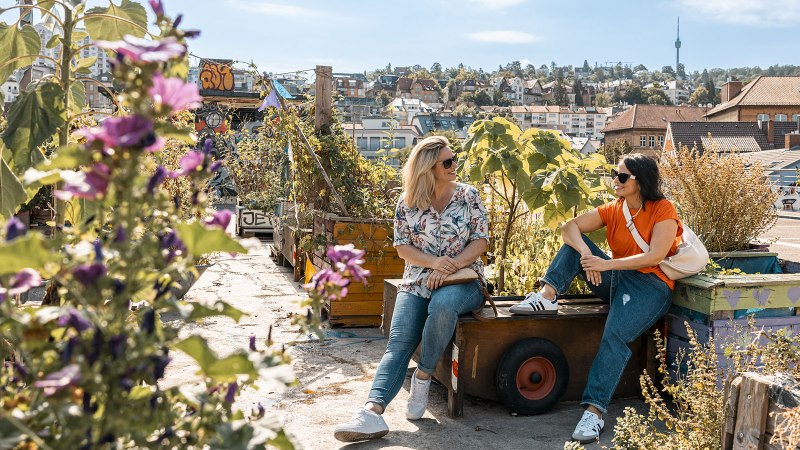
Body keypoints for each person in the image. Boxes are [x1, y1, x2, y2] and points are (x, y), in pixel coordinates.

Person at [509, 153, 682, 444]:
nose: (615, 180)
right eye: (615, 175)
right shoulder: (614, 209)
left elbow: (655, 255)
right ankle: (548, 295)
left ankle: (595, 412)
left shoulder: (662, 209)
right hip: (617, 277)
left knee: (614, 335)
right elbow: (570, 228)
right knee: (575, 248)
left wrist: (605, 264)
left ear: (640, 180)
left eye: (622, 176)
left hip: (651, 286)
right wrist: (588, 254)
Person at [334, 136, 490, 443]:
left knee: (442, 306)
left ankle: (423, 375)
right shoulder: (406, 204)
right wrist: (434, 263)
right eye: (447, 162)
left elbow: (481, 241)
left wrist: (450, 266)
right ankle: (371, 413)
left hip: (465, 280)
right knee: (398, 344)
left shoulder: (468, 196)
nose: (454, 165)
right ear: (427, 168)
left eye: (454, 159)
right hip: (419, 279)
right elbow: (403, 248)